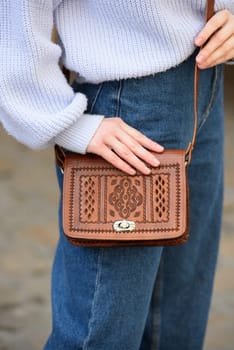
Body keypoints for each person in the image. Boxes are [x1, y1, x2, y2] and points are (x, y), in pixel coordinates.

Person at [0, 1, 234, 349]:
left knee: (178, 328)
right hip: (129, 106)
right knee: (99, 337)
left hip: (204, 80)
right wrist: (61, 120)